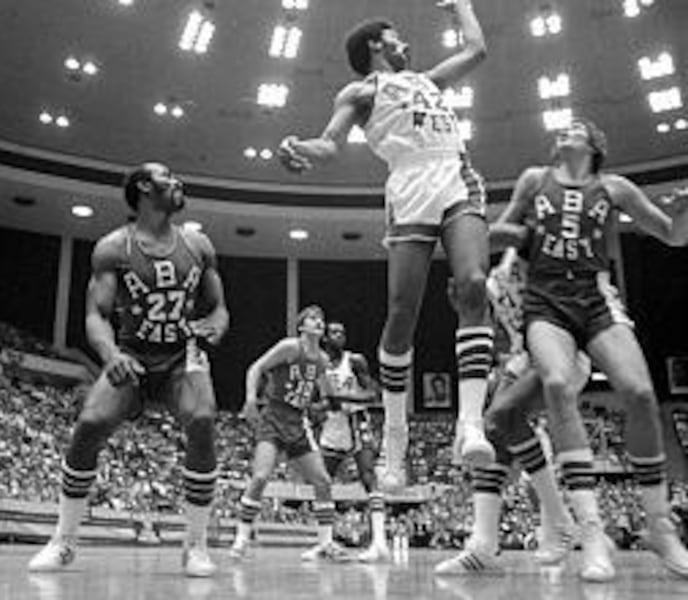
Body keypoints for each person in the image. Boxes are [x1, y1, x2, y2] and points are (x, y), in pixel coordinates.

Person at [277, 0, 495, 489]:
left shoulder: (428, 80)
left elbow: (478, 49)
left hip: (456, 175)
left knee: (474, 283)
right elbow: (331, 143)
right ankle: (394, 439)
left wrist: (461, 7)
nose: (405, 43)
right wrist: (303, 150)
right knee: (402, 314)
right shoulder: (360, 91)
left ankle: (470, 423)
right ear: (377, 44)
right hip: (410, 187)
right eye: (396, 37)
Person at [493, 118, 688, 581]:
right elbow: (502, 230)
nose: (567, 130)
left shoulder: (614, 187)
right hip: (544, 301)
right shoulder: (532, 179)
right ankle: (592, 533)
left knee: (640, 394)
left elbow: (672, 235)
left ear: (595, 144)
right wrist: (510, 239)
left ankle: (660, 529)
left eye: (577, 127)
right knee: (558, 383)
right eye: (563, 128)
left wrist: (682, 211)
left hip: (596, 297)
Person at [28, 163, 229, 577]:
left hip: (181, 355)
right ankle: (63, 540)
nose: (178, 181)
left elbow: (219, 307)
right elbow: (95, 315)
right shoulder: (113, 248)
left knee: (204, 420)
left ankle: (196, 545)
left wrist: (216, 326)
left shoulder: (198, 244)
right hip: (133, 352)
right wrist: (109, 355)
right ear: (143, 186)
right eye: (168, 176)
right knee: (89, 423)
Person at [435, 248, 586, 576]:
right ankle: (483, 545)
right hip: (524, 359)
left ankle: (560, 519)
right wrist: (466, 304)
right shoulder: (495, 283)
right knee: (492, 434)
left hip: (563, 352)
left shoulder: (552, 263)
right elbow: (493, 330)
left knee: (500, 416)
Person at [230, 306, 349, 562]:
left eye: (321, 318)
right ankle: (241, 538)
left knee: (323, 482)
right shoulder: (290, 347)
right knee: (261, 476)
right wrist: (251, 399)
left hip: (298, 421)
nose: (319, 322)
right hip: (274, 416)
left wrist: (330, 404)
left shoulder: (322, 361)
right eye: (313, 318)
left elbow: (328, 395)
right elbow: (256, 367)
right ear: (301, 326)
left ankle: (325, 543)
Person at [319, 321, 389, 562]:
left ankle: (379, 542)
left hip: (357, 420)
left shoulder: (355, 361)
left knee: (368, 476)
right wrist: (321, 407)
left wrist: (342, 396)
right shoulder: (319, 365)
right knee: (322, 481)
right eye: (334, 332)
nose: (339, 336)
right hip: (332, 424)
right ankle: (324, 542)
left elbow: (373, 394)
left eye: (342, 332)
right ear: (325, 338)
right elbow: (319, 400)